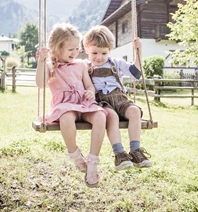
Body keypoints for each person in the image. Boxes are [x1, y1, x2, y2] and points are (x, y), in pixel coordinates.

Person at [36, 23, 107, 188]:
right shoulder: (50, 66)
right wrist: (41, 62)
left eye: (77, 49)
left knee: (100, 115)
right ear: (56, 47)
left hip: (83, 102)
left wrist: (90, 92)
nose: (75, 53)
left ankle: (92, 162)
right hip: (64, 106)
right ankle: (75, 155)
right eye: (70, 50)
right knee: (66, 118)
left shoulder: (81, 65)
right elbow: (40, 84)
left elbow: (89, 85)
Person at [83, 25, 152, 170]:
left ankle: (135, 151)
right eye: (94, 52)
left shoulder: (116, 63)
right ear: (86, 49)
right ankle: (119, 154)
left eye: (103, 53)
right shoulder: (84, 66)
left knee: (135, 112)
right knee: (111, 117)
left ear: (110, 50)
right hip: (101, 102)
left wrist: (138, 52)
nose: (99, 57)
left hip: (120, 99)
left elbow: (136, 73)